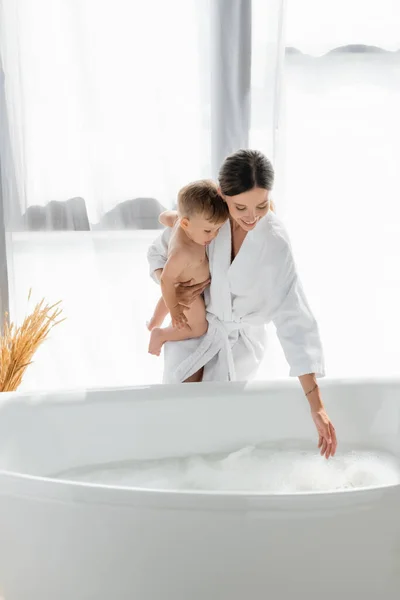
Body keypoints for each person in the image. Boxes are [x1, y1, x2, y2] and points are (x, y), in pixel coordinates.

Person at [148, 149, 337, 459]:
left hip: (236, 342)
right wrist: (172, 285)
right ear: (223, 195)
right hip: (193, 325)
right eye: (240, 207)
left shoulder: (274, 242)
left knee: (216, 433)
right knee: (179, 421)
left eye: (261, 205)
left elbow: (294, 318)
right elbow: (159, 252)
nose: (251, 217)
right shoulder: (210, 214)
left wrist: (317, 406)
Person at [147, 179, 229, 356]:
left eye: (218, 229)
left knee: (173, 292)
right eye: (208, 231)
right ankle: (160, 334)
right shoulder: (182, 253)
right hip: (189, 288)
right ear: (186, 224)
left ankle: (155, 320)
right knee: (198, 327)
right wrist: (175, 310)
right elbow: (166, 281)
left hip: (182, 280)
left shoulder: (181, 220)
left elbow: (164, 216)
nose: (214, 235)